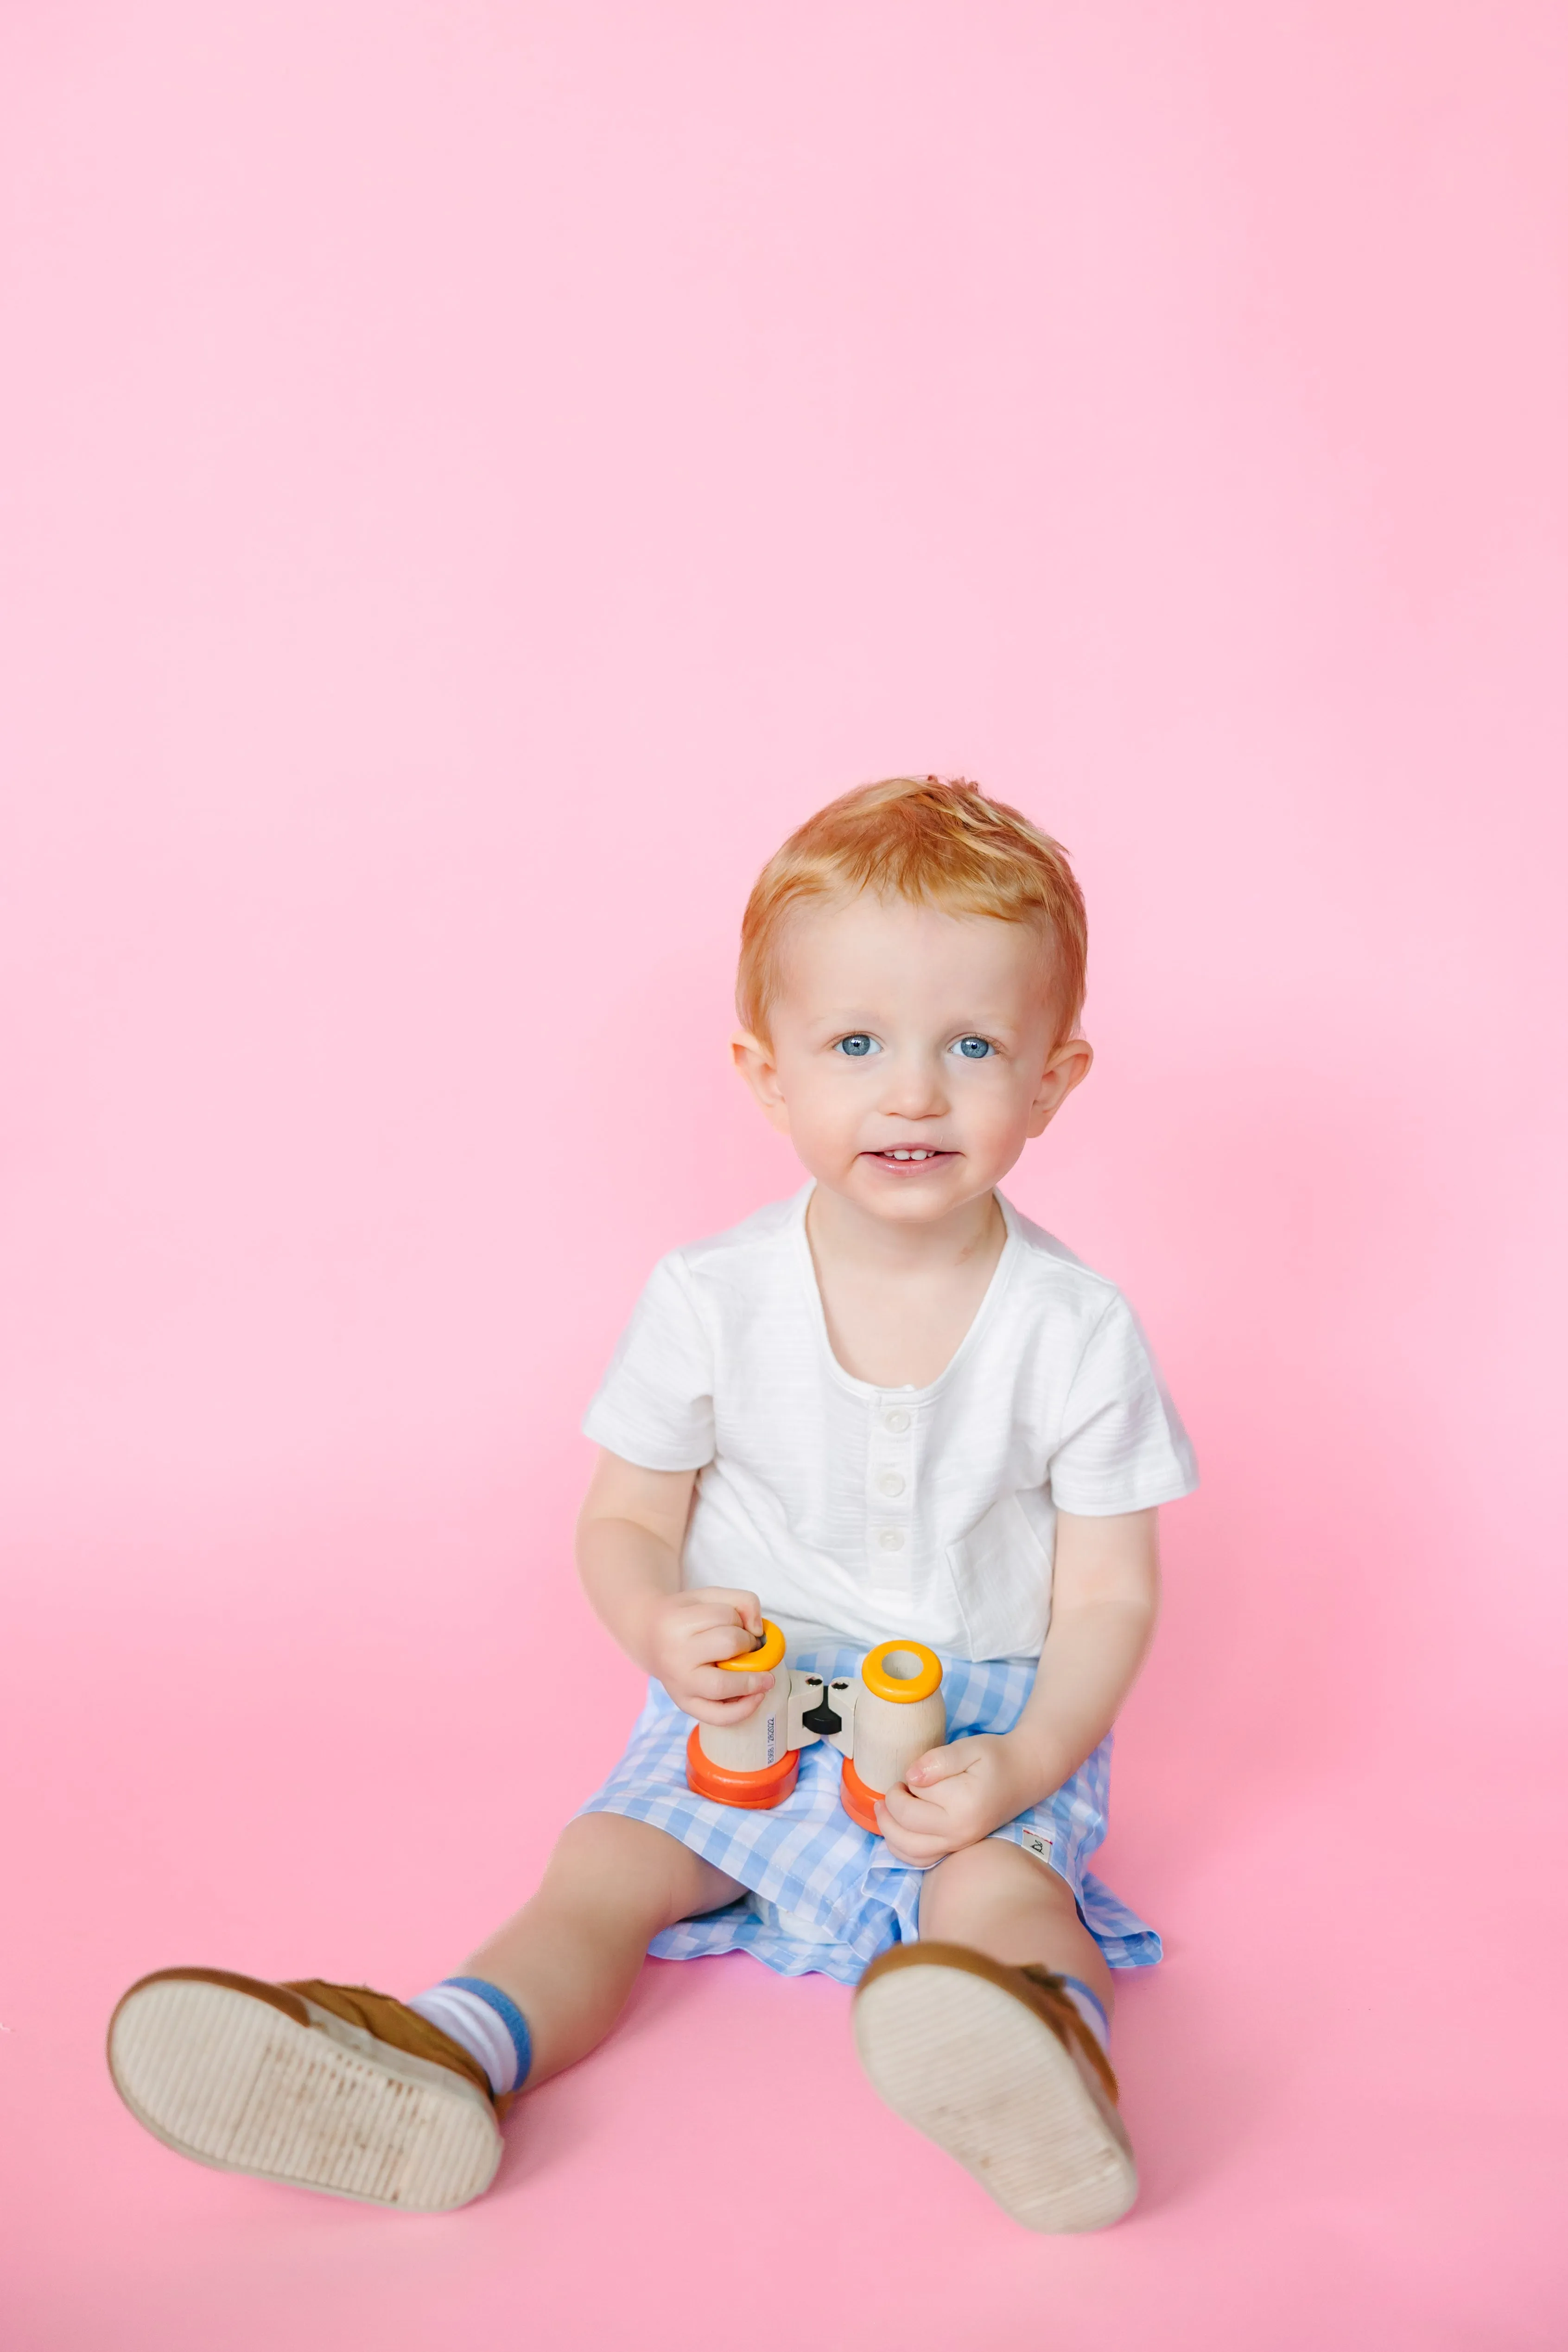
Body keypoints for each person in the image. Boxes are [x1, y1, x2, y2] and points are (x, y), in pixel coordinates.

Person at [107, 776, 1196, 2232]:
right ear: (767, 1074)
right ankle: (441, 2048)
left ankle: (1044, 2061)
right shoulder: (709, 1297)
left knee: (998, 1896)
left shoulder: (1075, 1327)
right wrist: (653, 1619)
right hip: (750, 1708)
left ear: (1053, 1081)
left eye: (973, 1045)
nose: (913, 1090)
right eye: (856, 1042)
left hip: (974, 1720)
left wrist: (1028, 1760)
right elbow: (623, 1517)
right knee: (605, 1864)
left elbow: (1109, 1593)